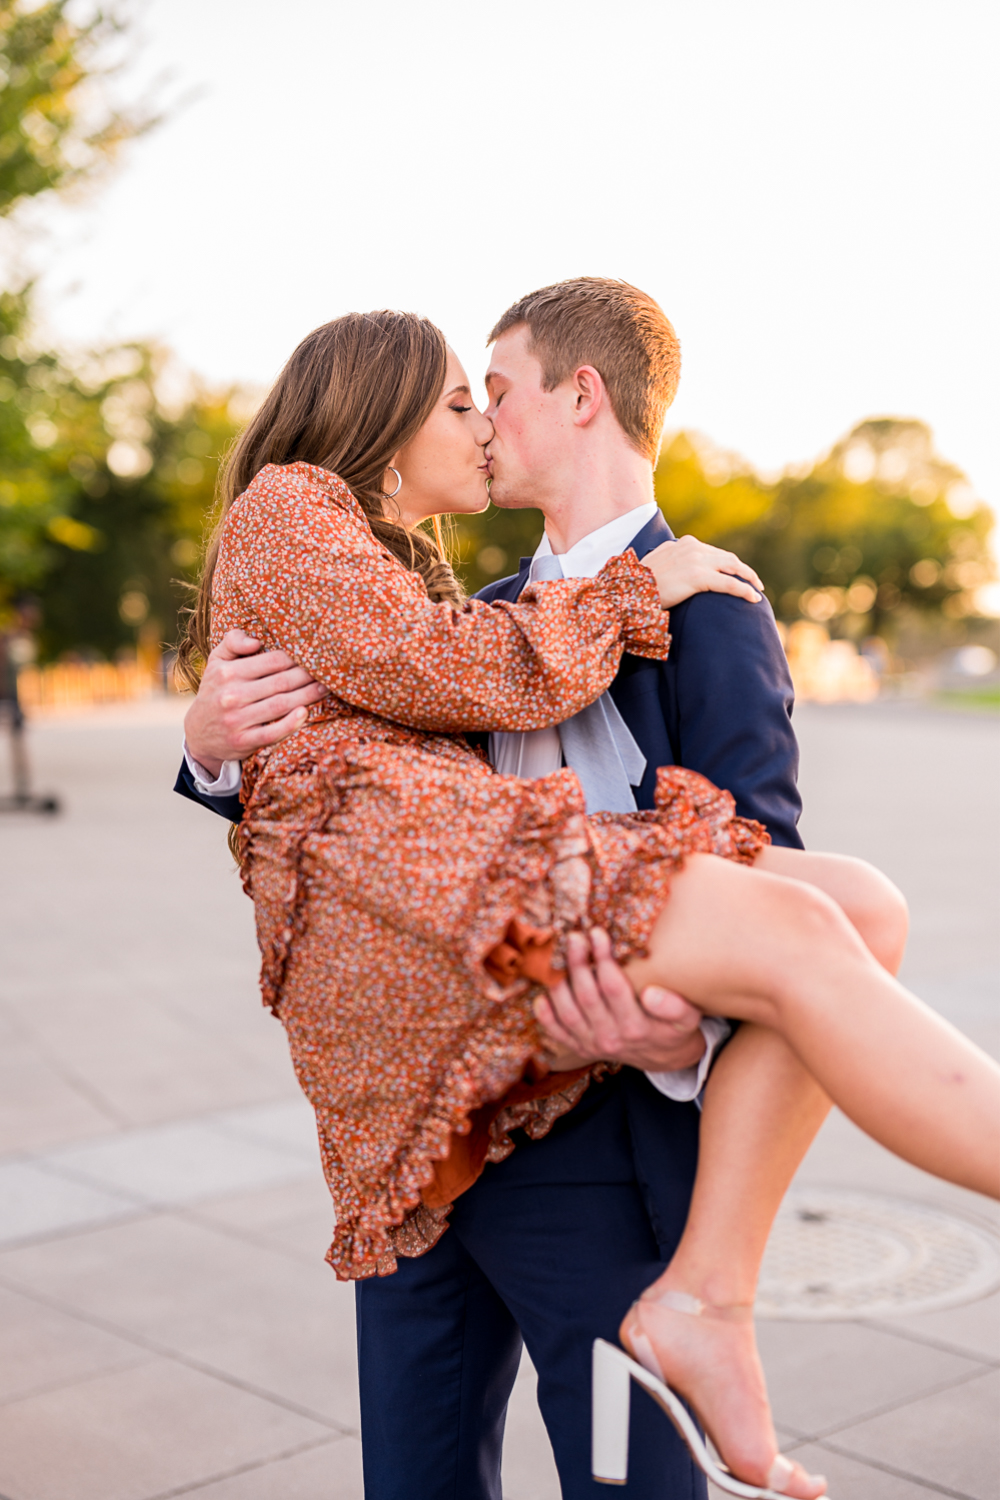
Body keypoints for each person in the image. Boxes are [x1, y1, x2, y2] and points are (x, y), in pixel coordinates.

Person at [174, 295, 998, 1500]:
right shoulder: (476, 611)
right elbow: (336, 768)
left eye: (490, 389)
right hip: (429, 1101)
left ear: (581, 397)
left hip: (590, 1132)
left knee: (850, 916)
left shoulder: (709, 601)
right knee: (416, 1468)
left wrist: (678, 1017)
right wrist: (205, 744)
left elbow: (756, 841)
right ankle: (709, 1300)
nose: (482, 419)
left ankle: (707, 1292)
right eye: (462, 398)